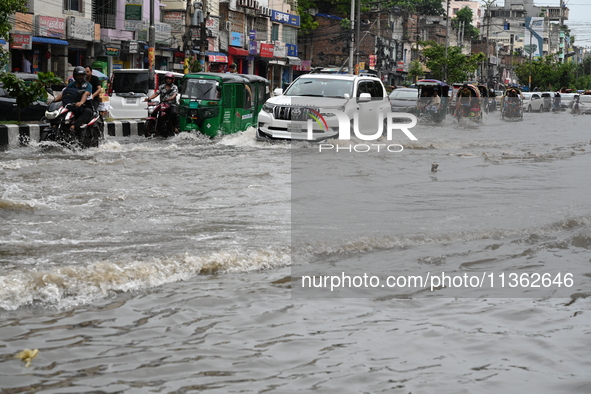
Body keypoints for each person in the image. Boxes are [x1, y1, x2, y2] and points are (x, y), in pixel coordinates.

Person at [52, 66, 93, 133]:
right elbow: (63, 93)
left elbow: (85, 94)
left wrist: (81, 102)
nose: (80, 77)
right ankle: (56, 125)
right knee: (60, 111)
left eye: (82, 76)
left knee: (88, 111)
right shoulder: (71, 84)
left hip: (84, 106)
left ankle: (74, 126)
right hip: (71, 106)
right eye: (78, 76)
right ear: (74, 76)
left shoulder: (88, 85)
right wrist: (53, 101)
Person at [144, 72, 178, 136]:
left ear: (172, 80)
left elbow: (174, 94)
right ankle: (154, 126)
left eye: (169, 79)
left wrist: (171, 98)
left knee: (173, 113)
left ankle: (174, 127)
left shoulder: (174, 87)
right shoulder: (161, 86)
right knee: (154, 112)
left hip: (171, 104)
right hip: (162, 104)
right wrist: (149, 98)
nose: (168, 80)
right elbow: (156, 94)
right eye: (167, 79)